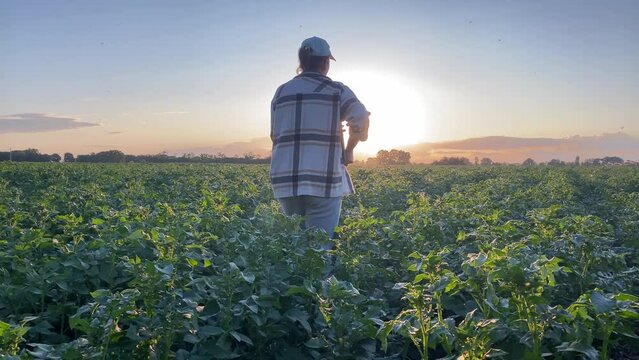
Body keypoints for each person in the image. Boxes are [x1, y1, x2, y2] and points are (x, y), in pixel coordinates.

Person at [270, 36, 370, 243]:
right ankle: (321, 276)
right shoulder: (337, 90)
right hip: (322, 179)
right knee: (319, 248)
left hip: (285, 179)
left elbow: (274, 134)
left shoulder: (281, 92)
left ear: (301, 62)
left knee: (297, 244)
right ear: (326, 63)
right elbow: (360, 118)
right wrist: (349, 148)